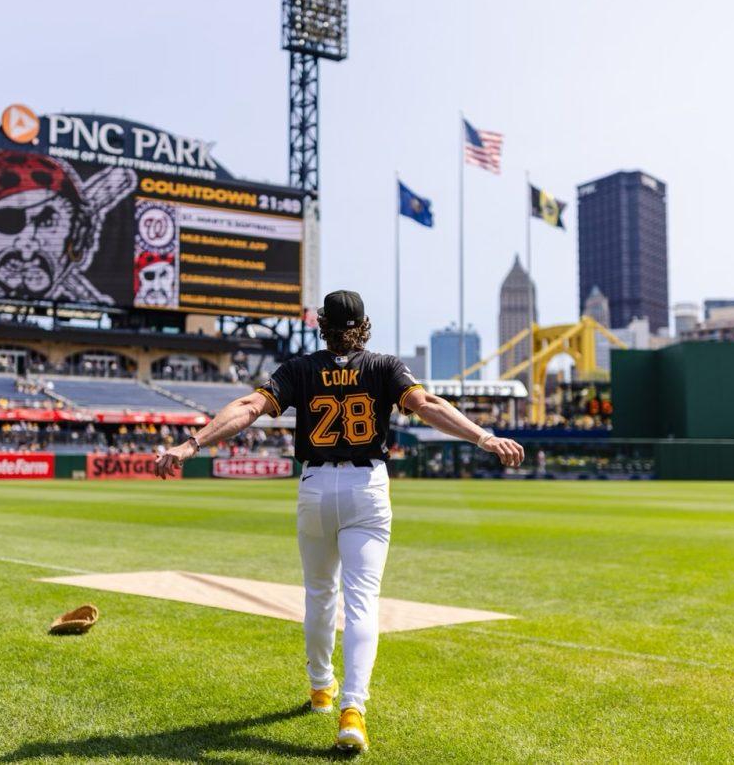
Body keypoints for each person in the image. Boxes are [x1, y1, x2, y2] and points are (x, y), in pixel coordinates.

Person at [156, 290, 524, 753]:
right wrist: (484, 437)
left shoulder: (299, 369)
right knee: (363, 602)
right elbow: (427, 404)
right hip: (366, 486)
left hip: (314, 485)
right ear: (364, 325)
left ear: (322, 324)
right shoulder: (385, 367)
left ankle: (320, 689)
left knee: (319, 592)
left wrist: (192, 443)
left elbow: (248, 409)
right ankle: (353, 711)